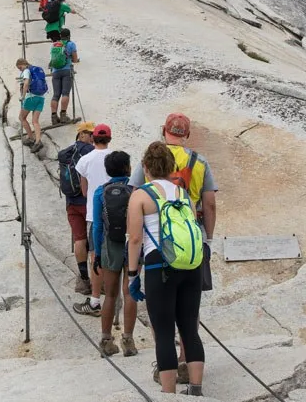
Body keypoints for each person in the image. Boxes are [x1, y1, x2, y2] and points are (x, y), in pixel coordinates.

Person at [130, 113, 217, 384]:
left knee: (163, 322)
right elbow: (210, 204)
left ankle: (165, 372)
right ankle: (191, 377)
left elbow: (134, 230)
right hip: (192, 246)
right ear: (186, 134)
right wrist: (208, 240)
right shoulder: (199, 162)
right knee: (189, 320)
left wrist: (133, 272)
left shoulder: (145, 171)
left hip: (159, 253)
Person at [91, 151, 138, 357]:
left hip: (109, 244)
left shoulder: (101, 192)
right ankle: (128, 339)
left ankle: (106, 339)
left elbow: (97, 226)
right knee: (129, 292)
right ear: (128, 168)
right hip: (131, 243)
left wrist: (97, 254)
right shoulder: (135, 191)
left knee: (110, 294)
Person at [74, 125, 113, 316]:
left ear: (93, 139)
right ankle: (114, 299)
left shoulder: (85, 160)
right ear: (109, 139)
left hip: (94, 214)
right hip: (116, 213)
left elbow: (83, 190)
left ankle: (95, 301)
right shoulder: (117, 156)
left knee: (95, 257)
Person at [58, 123, 95, 296]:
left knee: (79, 239)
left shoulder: (66, 152)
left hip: (71, 202)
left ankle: (83, 280)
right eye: (90, 134)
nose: (92, 137)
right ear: (82, 135)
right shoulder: (90, 152)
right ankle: (97, 282)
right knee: (94, 241)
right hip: (87, 202)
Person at [49, 27, 78, 125]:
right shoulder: (71, 44)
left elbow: (52, 58)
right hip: (66, 71)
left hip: (55, 71)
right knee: (65, 93)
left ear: (60, 36)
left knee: (56, 94)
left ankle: (53, 117)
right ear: (69, 36)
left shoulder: (54, 44)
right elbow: (74, 59)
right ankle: (63, 116)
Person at [16, 58, 45, 153]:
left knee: (21, 117)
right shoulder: (36, 70)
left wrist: (23, 96)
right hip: (41, 98)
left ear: (23, 64)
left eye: (20, 67)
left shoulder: (27, 70)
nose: (20, 70)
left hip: (31, 97)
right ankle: (38, 141)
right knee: (35, 121)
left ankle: (31, 138)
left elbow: (26, 83)